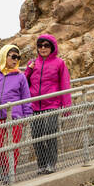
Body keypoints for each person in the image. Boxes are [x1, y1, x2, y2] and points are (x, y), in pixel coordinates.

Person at [0, 43, 32, 185]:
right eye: (12, 56)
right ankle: (4, 168)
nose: (15, 60)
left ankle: (10, 172)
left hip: (15, 116)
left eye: (18, 57)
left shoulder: (21, 77)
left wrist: (27, 114)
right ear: (4, 57)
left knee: (14, 146)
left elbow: (26, 97)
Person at [24, 34, 71, 173]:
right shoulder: (32, 63)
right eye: (40, 45)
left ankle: (51, 163)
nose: (43, 48)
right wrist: (29, 70)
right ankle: (42, 164)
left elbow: (65, 84)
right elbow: (24, 83)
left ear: (52, 47)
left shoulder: (59, 63)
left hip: (52, 103)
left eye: (46, 45)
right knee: (36, 135)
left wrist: (66, 105)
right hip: (34, 104)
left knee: (50, 131)